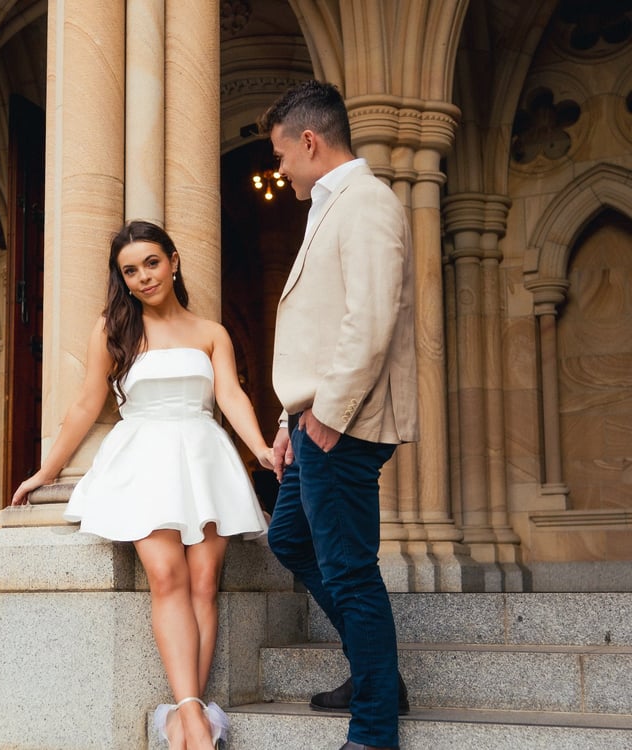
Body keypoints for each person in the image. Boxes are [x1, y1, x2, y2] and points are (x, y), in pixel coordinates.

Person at [11, 220, 272, 750]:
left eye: (152, 263)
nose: (143, 277)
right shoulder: (114, 329)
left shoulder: (211, 332)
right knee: (167, 576)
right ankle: (196, 722)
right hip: (143, 458)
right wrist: (46, 470)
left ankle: (186, 716)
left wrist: (263, 447)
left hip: (204, 457)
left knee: (205, 581)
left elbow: (232, 398)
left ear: (174, 261)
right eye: (130, 270)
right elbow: (87, 403)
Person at [257, 80, 419, 750]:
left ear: (310, 141)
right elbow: (325, 326)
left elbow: (370, 319)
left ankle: (375, 726)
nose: (280, 168)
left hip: (343, 422)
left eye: (281, 154)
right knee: (289, 539)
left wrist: (327, 415)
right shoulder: (331, 205)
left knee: (349, 565)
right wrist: (289, 421)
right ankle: (377, 675)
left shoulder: (367, 203)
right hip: (314, 419)